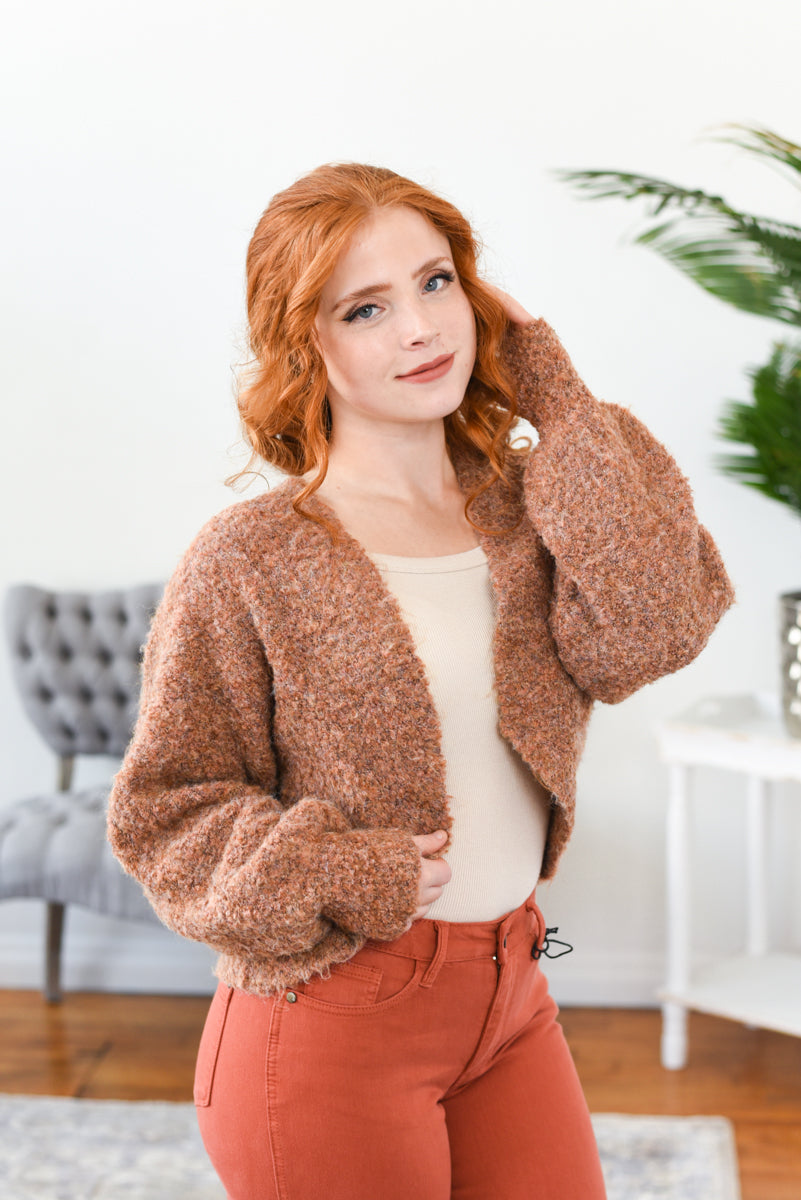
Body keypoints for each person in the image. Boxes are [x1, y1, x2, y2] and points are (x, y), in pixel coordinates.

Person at [107, 162, 734, 1200]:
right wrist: (341, 869)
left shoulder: (532, 511)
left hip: (511, 996)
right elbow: (167, 812)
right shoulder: (250, 555)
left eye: (436, 282)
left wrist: (554, 396)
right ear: (306, 344)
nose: (420, 328)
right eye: (366, 308)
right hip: (327, 1020)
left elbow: (657, 625)